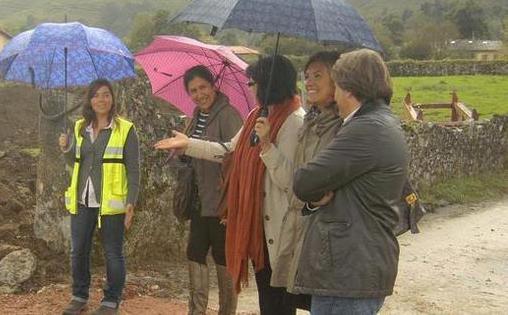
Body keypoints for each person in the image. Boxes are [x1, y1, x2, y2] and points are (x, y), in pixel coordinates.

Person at [155, 55, 306, 314]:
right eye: (193, 90)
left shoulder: (295, 122)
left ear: (269, 83)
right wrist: (188, 144)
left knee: (280, 301)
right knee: (267, 297)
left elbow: (291, 182)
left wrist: (267, 145)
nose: (250, 87)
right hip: (256, 222)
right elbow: (228, 150)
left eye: (253, 82)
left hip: (279, 227)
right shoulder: (256, 115)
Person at [291, 49, 409, 315]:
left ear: (347, 89)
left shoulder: (365, 129)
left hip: (347, 271)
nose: (333, 95)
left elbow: (304, 181)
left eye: (337, 85)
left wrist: (314, 193)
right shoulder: (382, 121)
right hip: (357, 265)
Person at [254, 51, 343, 312]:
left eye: (318, 75)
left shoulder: (308, 123)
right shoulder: (311, 122)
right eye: (307, 76)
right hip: (297, 227)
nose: (310, 82)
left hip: (312, 229)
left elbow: (294, 181)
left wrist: (268, 147)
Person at [59, 79, 141, 315]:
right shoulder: (79, 128)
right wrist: (66, 148)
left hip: (111, 203)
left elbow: (134, 169)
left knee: (113, 252)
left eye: (106, 95)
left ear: (112, 99)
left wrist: (131, 202)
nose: (101, 99)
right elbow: (75, 163)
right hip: (82, 199)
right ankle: (79, 296)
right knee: (78, 250)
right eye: (95, 95)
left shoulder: (125, 129)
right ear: (89, 100)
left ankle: (111, 300)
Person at [178, 66, 243, 315]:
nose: (198, 94)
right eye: (193, 90)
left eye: (203, 87)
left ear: (213, 86)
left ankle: (226, 311)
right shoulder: (194, 117)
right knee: (195, 254)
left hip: (221, 202)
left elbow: (232, 154)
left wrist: (194, 146)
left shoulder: (228, 115)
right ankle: (197, 311)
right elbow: (190, 156)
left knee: (223, 259)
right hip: (198, 201)